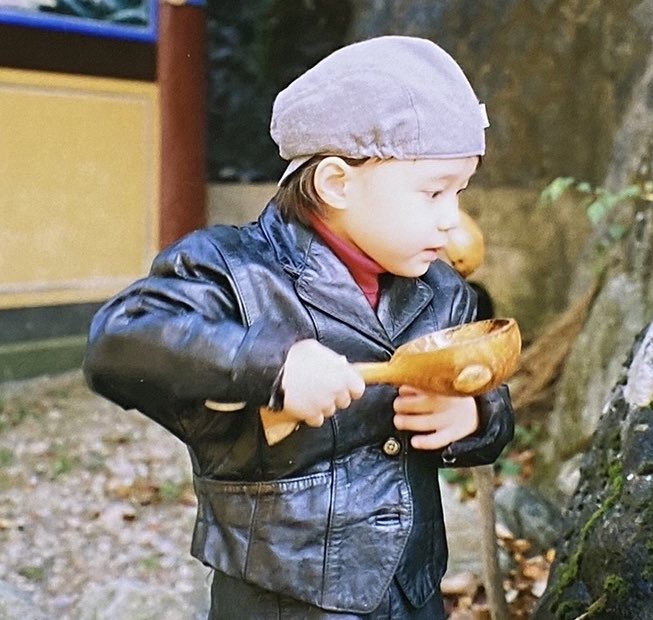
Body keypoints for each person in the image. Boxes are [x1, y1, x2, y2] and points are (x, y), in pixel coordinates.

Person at [83, 35, 515, 619]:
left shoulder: (441, 292)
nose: (451, 220)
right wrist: (271, 365)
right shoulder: (233, 268)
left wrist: (473, 416)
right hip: (283, 597)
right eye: (433, 191)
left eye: (459, 192)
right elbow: (119, 340)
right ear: (337, 183)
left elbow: (491, 397)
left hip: (411, 590)